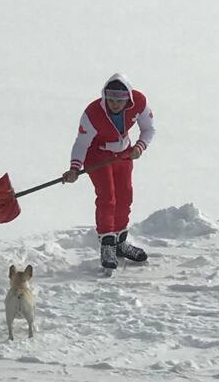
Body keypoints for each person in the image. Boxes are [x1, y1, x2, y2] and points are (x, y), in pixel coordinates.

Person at [63, 73, 156, 270]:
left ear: (128, 99)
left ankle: (120, 243)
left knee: (125, 197)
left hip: (124, 154)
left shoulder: (139, 102)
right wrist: (74, 167)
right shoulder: (92, 114)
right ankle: (107, 244)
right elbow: (81, 143)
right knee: (108, 198)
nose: (114, 104)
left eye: (119, 100)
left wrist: (139, 147)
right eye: (110, 99)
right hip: (97, 156)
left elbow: (149, 130)